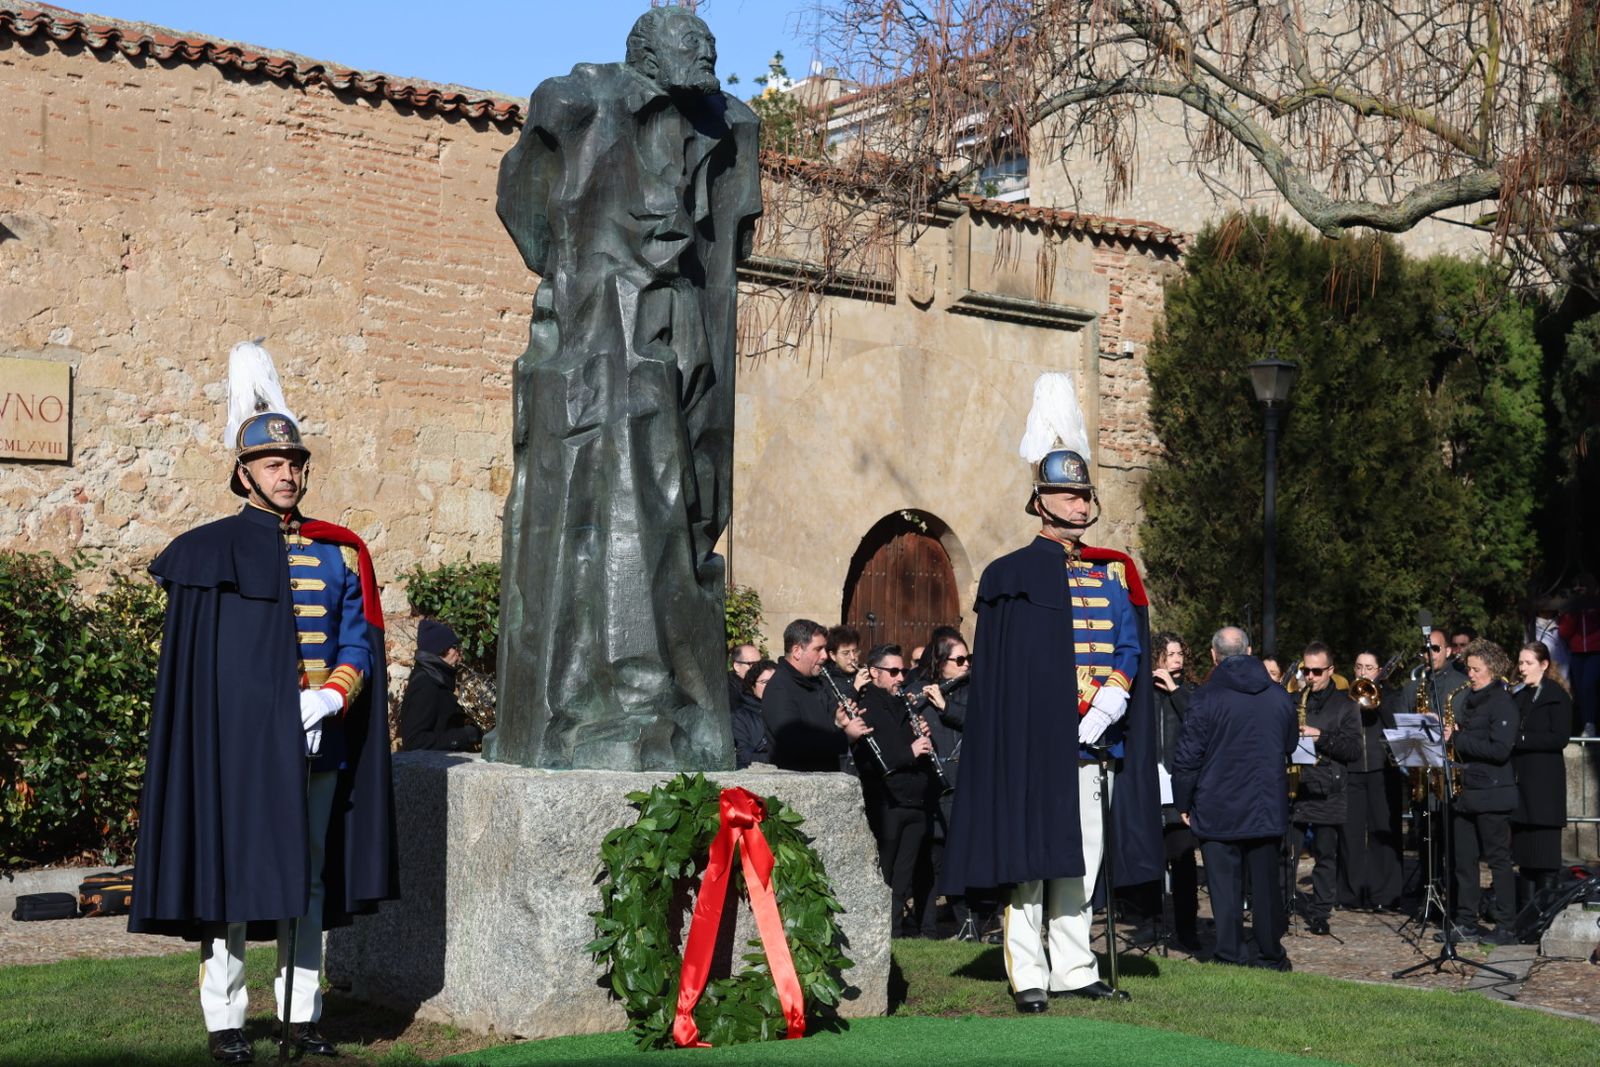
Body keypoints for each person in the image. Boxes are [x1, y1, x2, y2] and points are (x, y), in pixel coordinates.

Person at [491, 5, 762, 770]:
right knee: (617, 497)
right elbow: (525, 213)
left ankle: (678, 708)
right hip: (601, 326)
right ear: (644, 51)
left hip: (684, 321)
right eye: (689, 43)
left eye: (709, 44)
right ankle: (619, 705)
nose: (706, 51)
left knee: (691, 499)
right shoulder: (577, 103)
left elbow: (730, 235)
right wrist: (579, 277)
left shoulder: (730, 126)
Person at [127, 344, 396, 1064]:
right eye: (273, 464)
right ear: (244, 472)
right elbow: (207, 669)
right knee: (236, 875)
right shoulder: (208, 551)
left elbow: (357, 639)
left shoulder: (336, 553)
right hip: (242, 747)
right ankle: (227, 1021)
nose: (288, 474)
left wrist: (332, 696)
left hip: (318, 741)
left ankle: (301, 1016)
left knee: (309, 875)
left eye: (295, 463)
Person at [941, 372, 1161, 1014]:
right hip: (1035, 745)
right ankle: (1029, 972)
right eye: (1067, 495)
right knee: (1031, 861)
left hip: (1095, 741)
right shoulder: (1009, 576)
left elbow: (1127, 642)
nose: (1079, 506)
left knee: (1082, 860)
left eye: (1084, 495)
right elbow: (1007, 677)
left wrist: (1113, 698)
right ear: (1041, 503)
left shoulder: (1109, 572)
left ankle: (1073, 965)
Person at [1172, 627, 1296, 970]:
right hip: (1264, 803)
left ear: (1214, 656)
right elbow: (1289, 744)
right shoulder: (1279, 696)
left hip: (1218, 803)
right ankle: (1270, 953)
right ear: (1250, 651)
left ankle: (1230, 952)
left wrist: (1182, 801)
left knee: (1225, 886)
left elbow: (1188, 757)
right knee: (1266, 886)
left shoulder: (1206, 697)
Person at [852, 644, 941, 937]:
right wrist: (910, 751)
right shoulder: (866, 707)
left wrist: (925, 737)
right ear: (874, 673)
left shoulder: (904, 704)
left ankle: (895, 929)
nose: (900, 677)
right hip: (887, 800)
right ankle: (878, 930)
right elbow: (873, 758)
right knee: (885, 869)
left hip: (915, 798)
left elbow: (918, 748)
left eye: (902, 671)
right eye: (893, 672)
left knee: (904, 873)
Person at [1443, 638, 1520, 945]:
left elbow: (1499, 750)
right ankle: (1466, 922)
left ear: (1492, 669)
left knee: (1499, 862)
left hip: (1492, 793)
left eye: (1476, 669)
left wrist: (1458, 739)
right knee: (1465, 861)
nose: (1470, 675)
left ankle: (1506, 926)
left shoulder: (1502, 703)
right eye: (1469, 669)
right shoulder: (1472, 701)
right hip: (1468, 792)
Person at [1286, 642, 1360, 936]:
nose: (1310, 677)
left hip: (1327, 788)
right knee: (1285, 854)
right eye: (1306, 670)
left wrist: (1320, 736)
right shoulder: (1293, 700)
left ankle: (1320, 913)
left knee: (1325, 855)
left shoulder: (1346, 704)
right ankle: (1282, 906)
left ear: (1331, 670)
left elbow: (1353, 750)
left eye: (1317, 671)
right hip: (1293, 787)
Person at [913, 630, 975, 939]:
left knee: (960, 858)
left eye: (968, 659)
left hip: (963, 786)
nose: (966, 665)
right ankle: (926, 929)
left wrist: (946, 707)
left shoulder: (972, 690)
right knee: (930, 860)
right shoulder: (917, 690)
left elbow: (982, 720)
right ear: (940, 663)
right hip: (931, 787)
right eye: (959, 660)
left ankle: (968, 925)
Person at [1337, 649, 1403, 912]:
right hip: (1352, 770)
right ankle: (1350, 893)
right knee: (1350, 834)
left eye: (1369, 667)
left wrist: (1379, 700)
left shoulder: (1392, 696)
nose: (1362, 672)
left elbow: (1397, 726)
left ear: (1379, 671)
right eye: (1358, 666)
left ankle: (1385, 895)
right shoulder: (1345, 697)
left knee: (1383, 832)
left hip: (1382, 770)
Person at [1511, 642, 1573, 910]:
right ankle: (1525, 913)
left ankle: (1544, 913)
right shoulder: (1520, 696)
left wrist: (1521, 739)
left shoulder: (1557, 696)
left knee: (1545, 857)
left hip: (1545, 789)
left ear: (1544, 665)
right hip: (1522, 786)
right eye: (1520, 663)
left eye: (1528, 663)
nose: (1522, 668)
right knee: (1525, 859)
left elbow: (1559, 737)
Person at [762, 618, 870, 771]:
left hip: (826, 776)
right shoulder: (779, 689)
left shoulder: (817, 682)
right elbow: (795, 743)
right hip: (801, 781)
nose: (825, 655)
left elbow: (821, 730)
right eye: (818, 649)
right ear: (797, 651)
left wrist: (838, 722)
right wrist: (845, 737)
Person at [1150, 631, 1201, 951]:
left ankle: (1187, 928)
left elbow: (1200, 722)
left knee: (1183, 863)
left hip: (1179, 791)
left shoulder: (1191, 691)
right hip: (1150, 789)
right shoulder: (1143, 692)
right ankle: (1153, 924)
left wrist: (1175, 689)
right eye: (1169, 654)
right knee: (1150, 864)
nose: (1176, 659)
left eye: (1180, 653)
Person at [399, 620, 484, 752]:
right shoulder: (425, 684)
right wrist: (465, 735)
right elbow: (414, 741)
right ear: (443, 650)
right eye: (455, 647)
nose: (458, 653)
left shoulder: (435, 677)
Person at [1557, 574, 1600, 736]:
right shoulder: (1571, 607)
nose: (1579, 589)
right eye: (1576, 586)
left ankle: (1590, 723)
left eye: (1582, 586)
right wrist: (1573, 613)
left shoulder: (1595, 604)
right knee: (1580, 689)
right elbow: (1564, 632)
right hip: (1576, 653)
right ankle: (1585, 723)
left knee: (1588, 684)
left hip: (1595, 652)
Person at [732, 659, 776, 769]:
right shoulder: (741, 716)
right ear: (752, 686)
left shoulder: (790, 709)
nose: (771, 686)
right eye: (765, 682)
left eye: (775, 681)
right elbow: (743, 755)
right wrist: (776, 757)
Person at [728, 642, 760, 715]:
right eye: (752, 664)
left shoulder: (760, 684)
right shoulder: (730, 692)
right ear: (737, 666)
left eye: (760, 663)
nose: (759, 668)